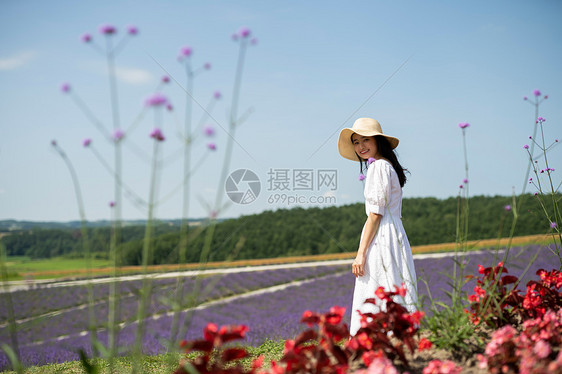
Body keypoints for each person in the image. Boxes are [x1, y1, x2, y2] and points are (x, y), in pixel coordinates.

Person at [337, 117, 418, 336]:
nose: (361, 146)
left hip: (382, 233)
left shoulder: (378, 167)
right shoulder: (387, 166)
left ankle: (378, 334)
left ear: (378, 141)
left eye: (366, 140)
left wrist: (360, 253)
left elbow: (374, 215)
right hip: (393, 231)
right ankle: (396, 330)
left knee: (378, 281)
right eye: (356, 142)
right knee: (393, 281)